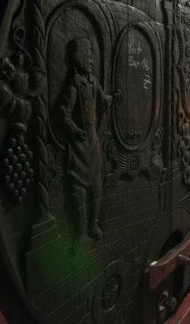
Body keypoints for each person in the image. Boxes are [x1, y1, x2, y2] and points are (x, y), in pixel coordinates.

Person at [60, 38, 119, 240]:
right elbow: (63, 113)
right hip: (79, 141)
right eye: (89, 56)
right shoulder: (74, 84)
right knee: (78, 187)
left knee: (96, 183)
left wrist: (112, 99)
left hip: (92, 139)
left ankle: (93, 225)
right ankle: (81, 232)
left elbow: (103, 99)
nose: (92, 61)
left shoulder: (92, 81)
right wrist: (74, 130)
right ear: (80, 58)